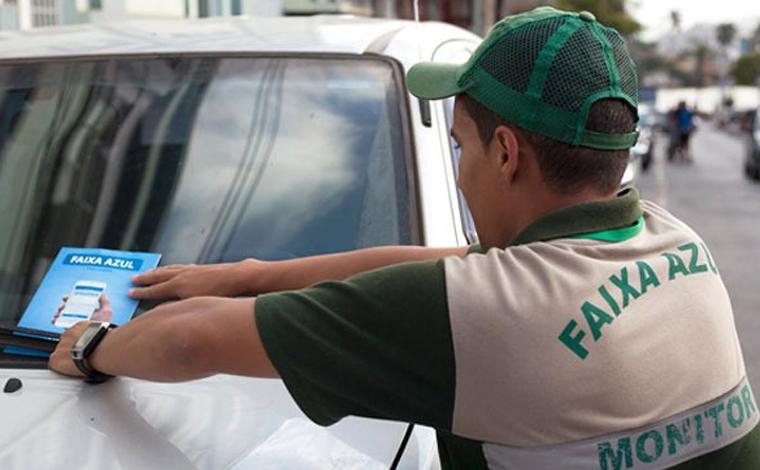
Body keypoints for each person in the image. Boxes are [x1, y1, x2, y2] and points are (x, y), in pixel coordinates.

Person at [49, 7, 759, 469]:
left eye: (462, 149)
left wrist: (89, 346)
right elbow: (452, 265)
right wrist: (253, 272)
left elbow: (189, 341)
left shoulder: (481, 316)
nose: (461, 175)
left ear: (506, 153)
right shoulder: (671, 241)